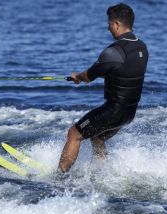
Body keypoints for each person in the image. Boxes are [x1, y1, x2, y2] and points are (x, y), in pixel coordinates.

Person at [57, 3, 148, 173]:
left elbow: (88, 76)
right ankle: (100, 173)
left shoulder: (114, 51)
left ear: (117, 24)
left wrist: (77, 76)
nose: (108, 28)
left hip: (113, 111)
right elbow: (123, 71)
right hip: (129, 113)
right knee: (97, 137)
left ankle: (59, 177)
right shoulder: (141, 47)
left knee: (74, 134)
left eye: (109, 23)